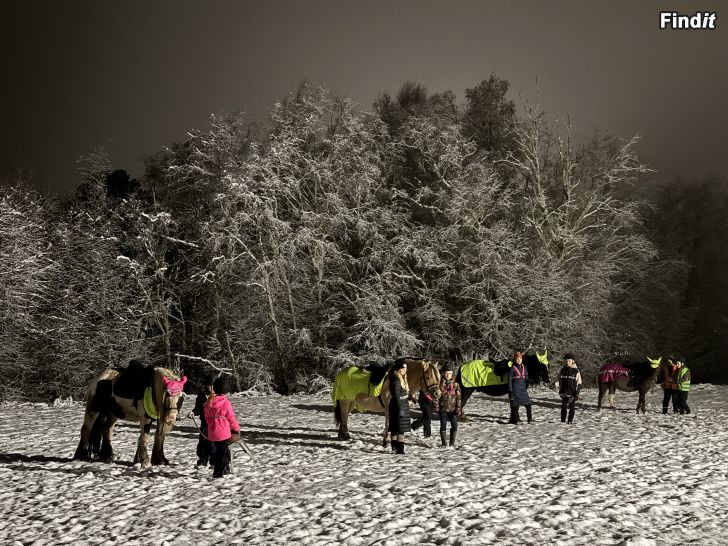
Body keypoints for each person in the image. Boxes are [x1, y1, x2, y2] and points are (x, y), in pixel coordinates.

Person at [204, 375, 241, 478]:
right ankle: (218, 473)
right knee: (222, 453)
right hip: (224, 434)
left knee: (221, 452)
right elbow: (231, 418)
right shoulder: (225, 403)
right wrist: (236, 429)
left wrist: (212, 426)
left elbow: (207, 418)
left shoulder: (209, 402)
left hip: (213, 433)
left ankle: (224, 469)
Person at [188, 373, 217, 467]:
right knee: (203, 442)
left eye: (213, 386)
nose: (211, 388)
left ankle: (214, 462)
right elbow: (198, 409)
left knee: (214, 443)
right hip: (205, 423)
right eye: (209, 385)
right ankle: (202, 460)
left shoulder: (219, 397)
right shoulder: (201, 396)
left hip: (216, 424)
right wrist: (193, 412)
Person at [433, 363, 461, 447]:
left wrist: (458, 408)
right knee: (443, 426)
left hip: (453, 409)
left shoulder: (456, 384)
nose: (448, 375)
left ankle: (452, 443)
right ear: (443, 373)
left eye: (449, 373)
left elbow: (458, 397)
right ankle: (444, 443)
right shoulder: (439, 384)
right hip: (443, 409)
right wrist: (436, 407)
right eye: (446, 373)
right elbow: (436, 397)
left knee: (455, 426)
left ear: (452, 373)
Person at [388, 358, 411, 454]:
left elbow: (402, 392)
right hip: (398, 406)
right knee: (398, 428)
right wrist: (400, 408)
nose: (404, 371)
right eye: (402, 369)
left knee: (396, 428)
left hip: (403, 404)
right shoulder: (396, 380)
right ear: (397, 369)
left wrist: (409, 397)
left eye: (405, 369)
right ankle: (399, 449)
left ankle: (395, 447)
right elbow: (396, 395)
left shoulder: (402, 378)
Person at [508, 351, 532, 424]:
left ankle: (530, 419)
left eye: (520, 358)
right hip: (515, 390)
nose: (519, 360)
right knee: (515, 406)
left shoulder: (525, 368)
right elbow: (509, 381)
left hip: (523, 390)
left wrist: (528, 384)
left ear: (522, 359)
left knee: (528, 405)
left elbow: (526, 379)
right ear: (515, 359)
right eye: (517, 358)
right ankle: (516, 420)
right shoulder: (512, 368)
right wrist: (510, 391)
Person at [558, 354, 582, 424]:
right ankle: (562, 421)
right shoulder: (563, 370)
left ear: (573, 361)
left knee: (571, 407)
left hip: (572, 393)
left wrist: (577, 393)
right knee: (563, 407)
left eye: (569, 361)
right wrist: (559, 390)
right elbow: (559, 381)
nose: (567, 362)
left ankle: (570, 421)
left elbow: (579, 383)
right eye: (566, 361)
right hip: (564, 392)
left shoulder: (576, 371)